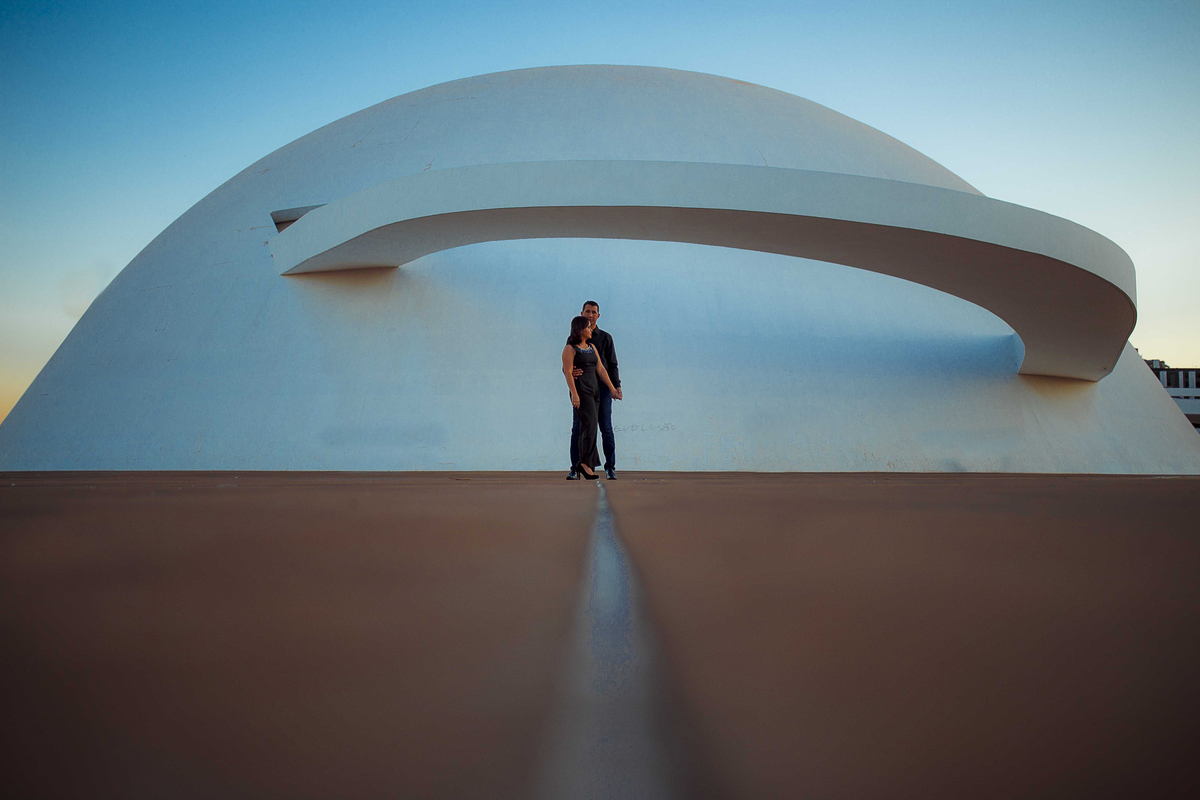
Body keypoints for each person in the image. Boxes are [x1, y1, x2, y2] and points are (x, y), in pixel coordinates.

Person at [568, 301, 623, 480]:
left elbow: (609, 365)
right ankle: (576, 468)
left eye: (593, 312)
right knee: (579, 427)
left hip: (602, 389)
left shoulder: (604, 338)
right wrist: (570, 373)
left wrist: (615, 387)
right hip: (582, 388)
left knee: (605, 427)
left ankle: (610, 467)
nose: (590, 315)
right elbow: (566, 364)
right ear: (581, 313)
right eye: (587, 312)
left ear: (598, 315)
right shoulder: (573, 339)